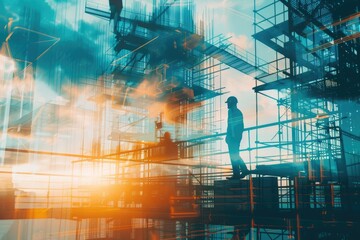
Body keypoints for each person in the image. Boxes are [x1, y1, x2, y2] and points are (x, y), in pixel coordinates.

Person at [225, 96, 249, 179]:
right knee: (234, 155)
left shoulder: (237, 112)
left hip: (234, 138)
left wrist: (235, 137)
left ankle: (238, 173)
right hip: (231, 138)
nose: (227, 104)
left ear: (232, 103)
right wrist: (228, 136)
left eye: (228, 103)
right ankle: (242, 171)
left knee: (234, 155)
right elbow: (229, 125)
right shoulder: (230, 112)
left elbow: (239, 126)